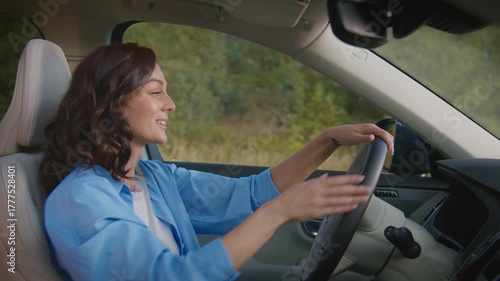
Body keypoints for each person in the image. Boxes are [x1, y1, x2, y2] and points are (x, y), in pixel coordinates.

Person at [41, 43, 394, 281]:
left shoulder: (153, 178)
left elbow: (251, 195)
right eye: (156, 91)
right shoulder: (80, 200)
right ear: (111, 103)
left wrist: (327, 140)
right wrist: (279, 212)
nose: (171, 104)